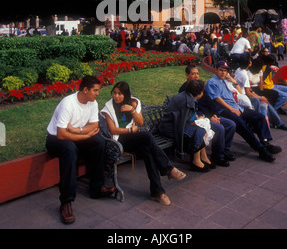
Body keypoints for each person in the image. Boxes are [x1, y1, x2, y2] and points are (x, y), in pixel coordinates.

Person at [100, 81, 186, 206]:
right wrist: (129, 130)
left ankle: (157, 192)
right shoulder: (109, 107)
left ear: (126, 95)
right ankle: (168, 168)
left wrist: (132, 110)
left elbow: (140, 122)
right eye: (114, 93)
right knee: (147, 136)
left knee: (148, 150)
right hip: (119, 141)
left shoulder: (132, 103)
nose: (116, 96)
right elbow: (113, 130)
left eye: (120, 94)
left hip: (133, 138)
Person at [46, 76, 114, 224]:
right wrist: (85, 135)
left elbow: (94, 126)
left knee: (98, 141)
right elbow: (61, 134)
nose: (97, 94)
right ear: (85, 90)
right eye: (95, 90)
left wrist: (79, 131)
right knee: (69, 149)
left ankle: (96, 188)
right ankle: (66, 202)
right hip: (55, 140)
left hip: (74, 134)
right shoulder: (68, 104)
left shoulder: (92, 102)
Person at [205, 61, 282, 163]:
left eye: (225, 71)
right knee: (241, 124)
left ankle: (265, 143)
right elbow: (218, 99)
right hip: (224, 110)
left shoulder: (225, 81)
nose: (223, 73)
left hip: (237, 108)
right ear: (215, 70)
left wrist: (233, 81)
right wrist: (232, 109)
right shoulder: (212, 82)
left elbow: (239, 92)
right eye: (221, 70)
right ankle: (260, 149)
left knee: (259, 117)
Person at [178, 64, 236, 166]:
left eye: (197, 73)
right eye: (193, 74)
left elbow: (210, 103)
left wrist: (214, 115)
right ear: (187, 75)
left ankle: (224, 150)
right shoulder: (184, 90)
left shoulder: (200, 86)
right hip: (197, 118)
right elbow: (192, 111)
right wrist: (208, 119)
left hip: (208, 115)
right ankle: (218, 156)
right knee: (220, 128)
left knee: (231, 124)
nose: (196, 76)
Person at [159, 79, 214, 172]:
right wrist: (199, 119)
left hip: (174, 124)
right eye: (202, 92)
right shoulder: (188, 101)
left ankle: (203, 157)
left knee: (202, 127)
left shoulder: (187, 96)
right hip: (171, 128)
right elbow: (190, 121)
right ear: (199, 93)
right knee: (200, 129)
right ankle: (195, 161)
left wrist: (198, 119)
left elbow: (188, 117)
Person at [247, 58, 287, 130]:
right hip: (251, 89)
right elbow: (249, 89)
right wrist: (260, 96)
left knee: (274, 94)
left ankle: (275, 119)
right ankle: (279, 123)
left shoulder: (259, 71)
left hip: (257, 88)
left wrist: (262, 91)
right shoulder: (249, 73)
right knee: (266, 103)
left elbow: (261, 85)